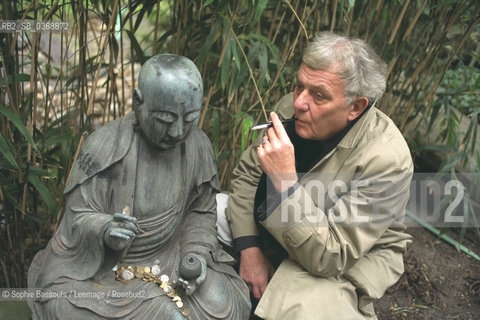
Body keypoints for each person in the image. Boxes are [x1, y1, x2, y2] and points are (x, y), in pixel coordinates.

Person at [28, 54, 251, 319]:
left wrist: (195, 256)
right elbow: (77, 218)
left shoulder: (197, 146)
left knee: (226, 301)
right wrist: (104, 229)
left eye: (190, 118)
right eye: (165, 120)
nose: (178, 132)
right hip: (107, 272)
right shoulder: (105, 146)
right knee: (62, 303)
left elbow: (200, 214)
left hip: (171, 260)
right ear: (137, 102)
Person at [225, 32, 413, 319]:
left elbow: (331, 256)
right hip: (279, 231)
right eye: (300, 85)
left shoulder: (387, 159)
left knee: (300, 307)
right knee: (199, 218)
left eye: (318, 95)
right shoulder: (294, 108)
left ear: (356, 107)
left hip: (341, 258)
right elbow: (248, 177)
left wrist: (285, 181)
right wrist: (249, 249)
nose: (299, 101)